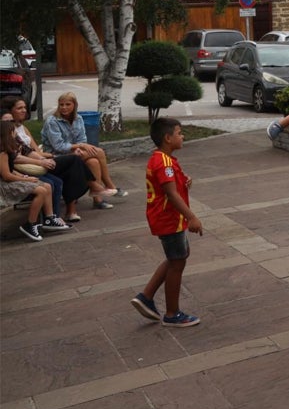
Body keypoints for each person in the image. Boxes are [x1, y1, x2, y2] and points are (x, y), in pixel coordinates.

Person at [131, 118, 203, 326]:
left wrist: (183, 180)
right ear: (167, 138)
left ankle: (146, 297)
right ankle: (172, 314)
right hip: (168, 219)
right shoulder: (163, 162)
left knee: (177, 258)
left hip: (168, 218)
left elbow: (170, 185)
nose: (183, 136)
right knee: (177, 262)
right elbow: (171, 194)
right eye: (179, 133)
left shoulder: (164, 160)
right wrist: (192, 217)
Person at [2, 95, 93, 223]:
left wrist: (47, 158)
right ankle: (92, 189)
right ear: (10, 111)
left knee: (83, 163)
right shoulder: (5, 137)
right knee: (71, 163)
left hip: (36, 163)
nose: (24, 110)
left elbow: (32, 151)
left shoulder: (20, 129)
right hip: (25, 169)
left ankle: (59, 215)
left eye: (24, 107)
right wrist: (41, 161)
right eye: (19, 108)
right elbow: (14, 161)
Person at [40, 92, 125, 207]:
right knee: (99, 151)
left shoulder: (78, 118)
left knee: (93, 162)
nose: (64, 107)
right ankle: (109, 185)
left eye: (68, 104)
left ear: (74, 105)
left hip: (73, 153)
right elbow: (58, 146)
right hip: (55, 156)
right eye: (61, 105)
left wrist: (79, 148)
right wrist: (78, 147)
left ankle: (98, 200)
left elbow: (82, 139)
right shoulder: (52, 121)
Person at [1, 120, 58, 242]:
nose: (16, 133)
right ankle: (30, 224)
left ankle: (49, 218)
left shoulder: (8, 151)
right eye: (13, 131)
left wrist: (25, 177)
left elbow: (10, 170)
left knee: (46, 186)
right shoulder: (2, 153)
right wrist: (23, 179)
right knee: (41, 191)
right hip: (5, 186)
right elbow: (6, 176)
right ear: (8, 134)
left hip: (12, 180)